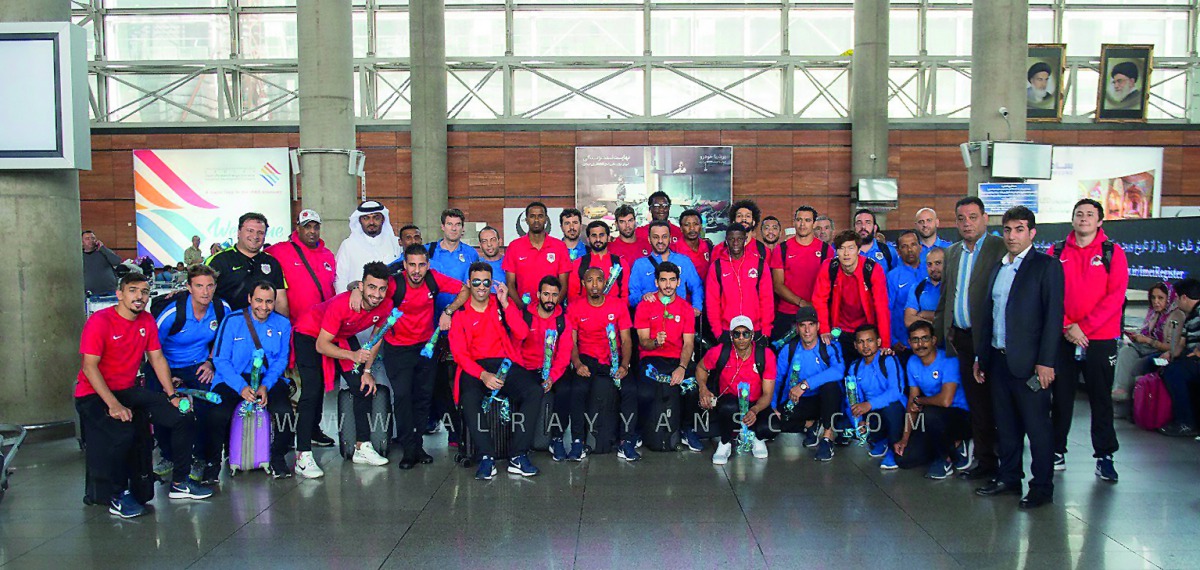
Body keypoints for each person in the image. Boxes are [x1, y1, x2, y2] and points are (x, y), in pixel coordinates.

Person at [76, 272, 213, 519]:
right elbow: (89, 367)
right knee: (123, 434)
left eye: (144, 292)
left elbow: (157, 358)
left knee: (183, 416)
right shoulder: (100, 321)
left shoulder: (147, 320)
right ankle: (117, 495)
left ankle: (180, 483)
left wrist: (172, 396)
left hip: (128, 391)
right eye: (133, 291)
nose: (139, 296)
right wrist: (113, 405)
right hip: (93, 395)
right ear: (119, 294)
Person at [973, 206, 1064, 510]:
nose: (1012, 236)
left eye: (1019, 229)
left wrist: (1046, 362)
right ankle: (1009, 478)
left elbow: (1053, 317)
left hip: (1031, 364)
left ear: (1032, 233)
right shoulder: (999, 267)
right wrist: (981, 356)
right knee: (1006, 426)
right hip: (998, 359)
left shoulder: (1046, 266)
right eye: (1008, 230)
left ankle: (1042, 487)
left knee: (1037, 428)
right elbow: (990, 314)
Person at [290, 262, 398, 478]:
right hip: (310, 334)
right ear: (361, 286)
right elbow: (322, 345)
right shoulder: (342, 305)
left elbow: (376, 339)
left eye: (381, 289)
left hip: (340, 335)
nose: (376, 294)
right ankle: (302, 456)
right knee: (312, 392)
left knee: (364, 386)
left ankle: (362, 446)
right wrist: (352, 356)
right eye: (371, 287)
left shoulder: (385, 305)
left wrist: (367, 372)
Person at [1046, 198, 1128, 481]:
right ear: (1072, 219)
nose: (1083, 218)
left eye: (1090, 215)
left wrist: (1084, 327)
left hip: (1100, 338)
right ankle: (1056, 450)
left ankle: (1105, 456)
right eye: (1079, 214)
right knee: (1061, 397)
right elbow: (1048, 293)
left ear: (1099, 221)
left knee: (1100, 398)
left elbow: (1115, 297)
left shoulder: (1112, 252)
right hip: (1064, 336)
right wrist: (1068, 325)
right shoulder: (1056, 251)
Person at [933, 196, 1006, 481]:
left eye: (973, 217)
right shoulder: (952, 252)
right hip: (962, 339)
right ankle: (984, 461)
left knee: (998, 403)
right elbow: (946, 297)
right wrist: (941, 334)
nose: (967, 223)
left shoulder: (1000, 247)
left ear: (985, 218)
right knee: (977, 405)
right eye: (961, 218)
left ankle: (1006, 465)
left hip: (992, 341)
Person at [451, 263, 545, 480]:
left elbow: (522, 333)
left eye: (486, 282)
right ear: (469, 283)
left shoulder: (500, 304)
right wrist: (483, 375)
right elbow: (460, 355)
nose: (481, 287)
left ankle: (518, 455)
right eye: (476, 282)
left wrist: (506, 302)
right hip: (474, 367)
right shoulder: (460, 314)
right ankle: (486, 457)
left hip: (504, 364)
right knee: (469, 397)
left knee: (534, 391)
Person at [380, 244, 469, 469]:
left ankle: (417, 446)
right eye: (412, 265)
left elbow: (464, 290)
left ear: (428, 265)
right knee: (403, 396)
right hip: (397, 349)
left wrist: (448, 311)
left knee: (423, 398)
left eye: (421, 265)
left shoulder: (433, 279)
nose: (417, 270)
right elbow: (370, 290)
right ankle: (408, 449)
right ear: (404, 265)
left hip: (425, 347)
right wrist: (355, 289)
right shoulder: (394, 284)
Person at [205, 281, 294, 480]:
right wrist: (241, 387)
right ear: (249, 299)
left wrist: (266, 385)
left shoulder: (282, 324)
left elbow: (281, 360)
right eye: (259, 300)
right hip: (233, 377)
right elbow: (220, 359)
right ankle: (213, 463)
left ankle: (277, 457)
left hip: (267, 378)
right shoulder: (232, 320)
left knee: (284, 413)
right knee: (216, 415)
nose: (264, 307)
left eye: (269, 302)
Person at [149, 265, 229, 481]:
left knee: (206, 407)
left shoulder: (221, 308)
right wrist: (168, 379)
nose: (205, 291)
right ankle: (167, 455)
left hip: (198, 364)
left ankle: (200, 457)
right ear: (189, 287)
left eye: (210, 286)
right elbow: (152, 349)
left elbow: (222, 339)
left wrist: (210, 363)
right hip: (165, 363)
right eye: (199, 286)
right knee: (161, 405)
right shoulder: (172, 313)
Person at [565, 266, 633, 460]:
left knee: (630, 390)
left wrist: (625, 365)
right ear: (583, 283)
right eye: (590, 280)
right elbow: (572, 342)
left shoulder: (618, 305)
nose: (594, 285)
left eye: (599, 280)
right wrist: (577, 363)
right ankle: (577, 442)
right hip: (587, 359)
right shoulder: (575, 307)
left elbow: (626, 340)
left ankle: (626, 442)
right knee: (577, 390)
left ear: (605, 283)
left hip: (613, 359)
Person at [503, 276, 574, 460]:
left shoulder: (563, 320)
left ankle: (557, 438)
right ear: (538, 294)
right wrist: (523, 371)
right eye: (546, 294)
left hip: (553, 370)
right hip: (527, 368)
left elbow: (564, 354)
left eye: (554, 295)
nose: (550, 299)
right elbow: (514, 349)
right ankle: (521, 442)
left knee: (566, 389)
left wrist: (552, 377)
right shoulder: (525, 315)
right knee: (528, 391)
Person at [632, 262, 698, 454]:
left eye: (672, 280)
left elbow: (688, 344)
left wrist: (682, 367)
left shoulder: (686, 308)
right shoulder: (645, 305)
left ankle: (687, 429)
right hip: (651, 359)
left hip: (677, 360)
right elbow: (643, 342)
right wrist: (655, 342)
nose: (668, 285)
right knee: (644, 393)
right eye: (663, 280)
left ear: (678, 282)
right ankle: (638, 431)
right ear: (656, 282)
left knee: (692, 389)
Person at [895, 321, 972, 480]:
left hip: (961, 416)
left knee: (929, 414)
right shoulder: (912, 362)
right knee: (904, 459)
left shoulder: (949, 360)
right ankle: (950, 446)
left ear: (933, 340)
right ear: (909, 343)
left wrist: (920, 401)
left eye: (925, 338)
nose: (920, 344)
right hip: (934, 419)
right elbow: (912, 400)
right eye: (915, 340)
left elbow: (945, 401)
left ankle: (946, 457)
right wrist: (905, 438)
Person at [770, 306, 845, 462]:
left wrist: (805, 385)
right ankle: (811, 425)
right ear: (797, 328)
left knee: (830, 387)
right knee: (771, 422)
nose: (807, 330)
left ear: (818, 326)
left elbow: (839, 371)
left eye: (811, 324)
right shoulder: (789, 349)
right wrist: (773, 405)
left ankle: (827, 437)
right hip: (799, 401)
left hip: (824, 401)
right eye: (802, 325)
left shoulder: (828, 346)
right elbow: (777, 379)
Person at [697, 316, 775, 465]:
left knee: (771, 428)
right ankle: (725, 443)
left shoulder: (765, 355)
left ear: (752, 335)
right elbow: (701, 367)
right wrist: (703, 388)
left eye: (745, 333)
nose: (741, 338)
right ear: (731, 336)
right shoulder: (720, 351)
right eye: (736, 334)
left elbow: (767, 394)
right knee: (728, 406)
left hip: (755, 403)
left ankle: (755, 437)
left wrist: (755, 410)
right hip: (730, 402)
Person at [812, 230, 892, 360]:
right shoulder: (829, 267)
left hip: (866, 329)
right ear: (836, 251)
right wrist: (825, 330)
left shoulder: (873, 269)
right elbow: (819, 300)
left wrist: (885, 343)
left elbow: (881, 308)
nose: (846, 253)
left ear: (858, 250)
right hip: (838, 330)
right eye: (841, 248)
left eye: (851, 248)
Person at [846, 324, 906, 470]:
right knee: (845, 421)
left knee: (891, 408)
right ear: (855, 345)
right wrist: (859, 421)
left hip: (895, 409)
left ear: (878, 342)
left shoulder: (888, 360)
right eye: (861, 342)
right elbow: (852, 398)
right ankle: (880, 440)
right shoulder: (854, 367)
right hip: (873, 411)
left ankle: (893, 448)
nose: (865, 346)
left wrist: (869, 405)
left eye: (870, 340)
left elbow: (896, 392)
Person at [770, 206, 833, 344]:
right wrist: (801, 302)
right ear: (794, 222)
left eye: (807, 220)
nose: (802, 224)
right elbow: (777, 285)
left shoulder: (826, 250)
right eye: (799, 220)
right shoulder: (782, 249)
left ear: (814, 224)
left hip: (815, 314)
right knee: (782, 354)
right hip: (787, 314)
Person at [206, 212, 288, 315]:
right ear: (238, 232)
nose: (255, 236)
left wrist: (283, 323)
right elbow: (201, 295)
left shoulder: (272, 262)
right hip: (226, 322)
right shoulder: (218, 260)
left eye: (260, 232)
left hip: (263, 323)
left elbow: (280, 301)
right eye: (250, 230)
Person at [265, 209, 336, 327]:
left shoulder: (328, 255)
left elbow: (332, 287)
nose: (312, 231)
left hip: (324, 324)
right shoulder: (280, 250)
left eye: (316, 227)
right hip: (296, 326)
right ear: (298, 228)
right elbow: (256, 255)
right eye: (307, 227)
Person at [705, 223, 774, 342]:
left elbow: (766, 299)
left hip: (755, 328)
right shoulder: (717, 266)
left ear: (745, 239)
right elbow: (712, 302)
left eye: (740, 239)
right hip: (727, 329)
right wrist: (717, 331)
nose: (735, 243)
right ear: (726, 240)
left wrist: (766, 330)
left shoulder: (759, 264)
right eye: (731, 239)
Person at [1113, 282, 1178, 403]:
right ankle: (1121, 391)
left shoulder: (1176, 316)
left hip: (1163, 352)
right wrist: (1137, 337)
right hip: (1146, 347)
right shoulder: (1153, 313)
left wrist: (1147, 340)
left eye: (1160, 298)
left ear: (1169, 298)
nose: (1156, 301)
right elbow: (1146, 332)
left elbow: (1173, 347)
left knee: (1137, 365)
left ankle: (1133, 399)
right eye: (1153, 297)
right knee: (1125, 351)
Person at [503, 202, 571, 309]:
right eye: (532, 216)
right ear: (526, 220)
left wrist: (551, 308)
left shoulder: (559, 246)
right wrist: (523, 309)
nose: (536, 220)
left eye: (540, 216)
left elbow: (564, 285)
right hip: (524, 311)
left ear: (546, 219)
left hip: (552, 311)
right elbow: (510, 284)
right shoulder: (514, 246)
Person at [629, 221, 704, 314]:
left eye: (664, 237)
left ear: (670, 239)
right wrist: (642, 297)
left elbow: (697, 286)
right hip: (650, 318)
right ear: (649, 239)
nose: (660, 241)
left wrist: (697, 307)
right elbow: (632, 296)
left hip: (678, 317)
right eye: (656, 237)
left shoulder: (684, 261)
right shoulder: (640, 264)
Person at [1157, 278, 1200, 437]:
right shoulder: (1189, 317)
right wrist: (1170, 353)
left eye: (1176, 298)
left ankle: (1185, 422)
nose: (1175, 302)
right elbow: (1181, 344)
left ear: (1184, 297)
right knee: (1158, 364)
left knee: (1174, 373)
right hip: (1190, 357)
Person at [335, 201, 401, 293]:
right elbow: (340, 279)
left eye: (376, 218)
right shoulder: (348, 245)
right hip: (356, 299)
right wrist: (344, 300)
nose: (371, 222)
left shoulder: (396, 243)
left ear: (383, 219)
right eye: (366, 218)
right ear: (360, 220)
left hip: (389, 298)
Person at [567, 221, 631, 304]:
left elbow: (625, 296)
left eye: (601, 235)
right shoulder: (578, 264)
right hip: (585, 311)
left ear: (608, 237)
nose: (598, 239)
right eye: (594, 235)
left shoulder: (621, 263)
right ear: (588, 239)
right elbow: (573, 297)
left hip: (615, 311)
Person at [886, 231, 924, 354]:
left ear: (920, 247)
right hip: (903, 344)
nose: (910, 250)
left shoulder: (930, 271)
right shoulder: (892, 277)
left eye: (913, 244)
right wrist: (892, 340)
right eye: (904, 246)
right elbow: (886, 310)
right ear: (898, 251)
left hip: (930, 341)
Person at [904, 248, 944, 331]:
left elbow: (953, 317)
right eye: (929, 264)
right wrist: (932, 324)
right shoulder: (917, 287)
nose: (933, 268)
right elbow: (909, 320)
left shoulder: (954, 286)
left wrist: (925, 314)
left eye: (938, 263)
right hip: (927, 338)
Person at [673, 209, 714, 281]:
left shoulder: (708, 246)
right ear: (681, 228)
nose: (692, 228)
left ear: (701, 227)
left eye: (696, 224)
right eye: (687, 225)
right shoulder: (673, 250)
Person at [914, 208, 952, 277]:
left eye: (929, 220)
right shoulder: (911, 251)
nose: (925, 225)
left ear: (937, 223)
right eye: (921, 222)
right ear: (916, 226)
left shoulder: (950, 249)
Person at [82, 230, 122, 295]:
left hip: (109, 290)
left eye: (93, 238)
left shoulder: (104, 252)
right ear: (82, 242)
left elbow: (117, 261)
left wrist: (103, 248)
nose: (91, 240)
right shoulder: (80, 256)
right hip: (90, 293)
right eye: (87, 239)